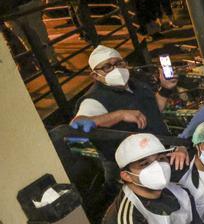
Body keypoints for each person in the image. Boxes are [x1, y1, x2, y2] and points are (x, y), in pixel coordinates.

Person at [72, 45, 183, 195]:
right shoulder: (95, 99)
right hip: (132, 170)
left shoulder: (135, 85)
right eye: (107, 67)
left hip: (157, 154)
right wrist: (120, 115)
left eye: (119, 63)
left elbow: (152, 110)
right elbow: (77, 125)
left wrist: (165, 89)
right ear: (95, 76)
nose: (116, 69)